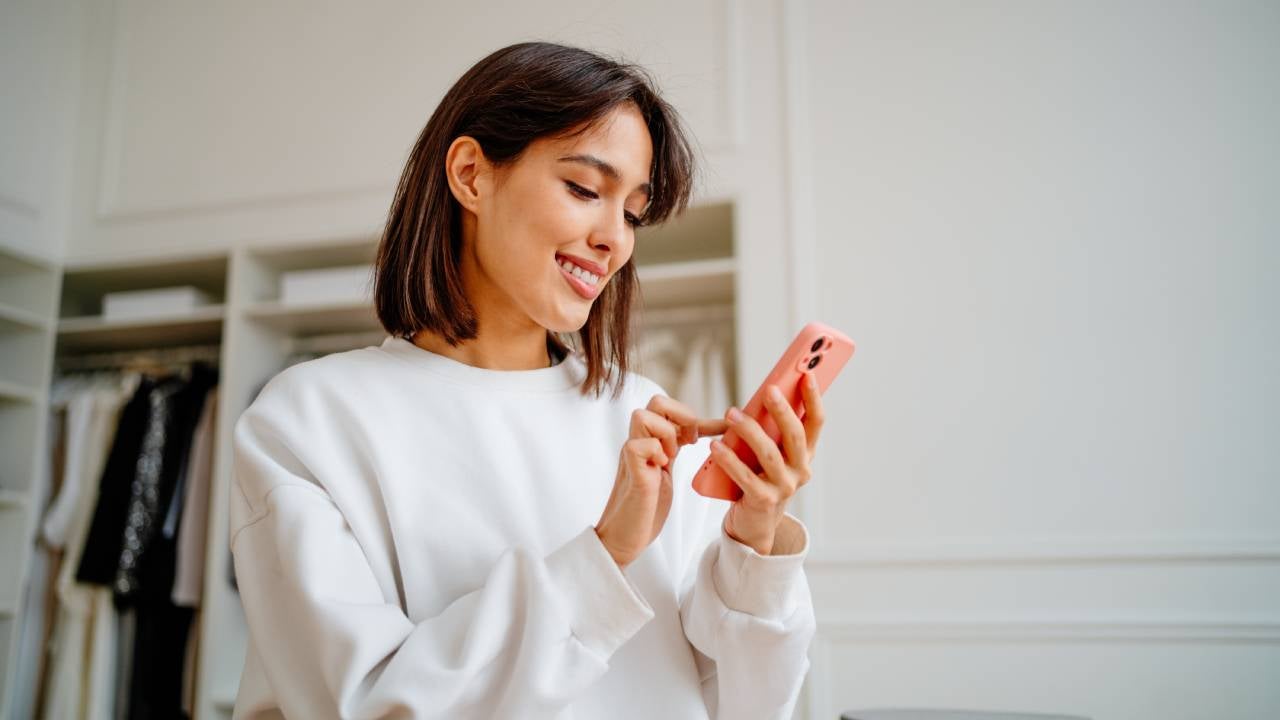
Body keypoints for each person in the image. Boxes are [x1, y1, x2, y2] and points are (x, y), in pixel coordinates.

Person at [229, 41, 824, 719]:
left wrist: (753, 541)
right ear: (471, 174)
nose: (614, 240)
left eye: (631, 212)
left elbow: (751, 704)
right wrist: (606, 556)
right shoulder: (310, 420)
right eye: (583, 189)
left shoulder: (645, 416)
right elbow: (370, 703)